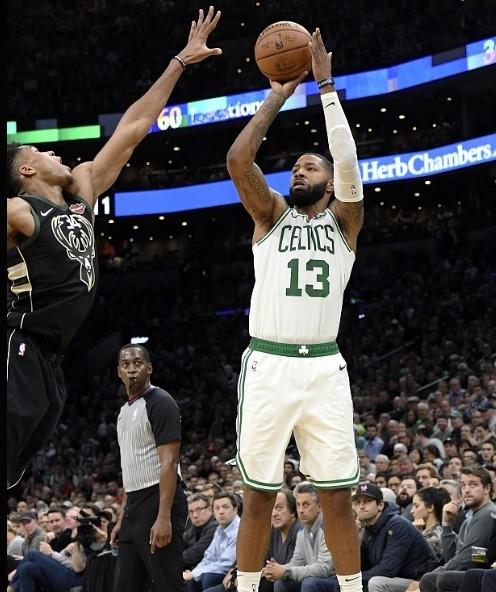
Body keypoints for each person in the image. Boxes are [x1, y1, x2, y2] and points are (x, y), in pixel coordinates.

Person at [5, 4, 222, 490]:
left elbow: (133, 128)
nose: (56, 154)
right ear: (27, 170)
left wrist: (180, 62)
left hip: (50, 359)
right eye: (43, 152)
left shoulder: (81, 194)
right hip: (16, 342)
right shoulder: (19, 211)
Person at [226, 27, 364, 592]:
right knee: (258, 495)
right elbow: (239, 159)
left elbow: (348, 161)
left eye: (311, 167)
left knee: (337, 497)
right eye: (297, 167)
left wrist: (326, 88)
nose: (299, 171)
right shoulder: (270, 216)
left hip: (324, 368)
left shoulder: (345, 224)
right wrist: (276, 96)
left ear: (331, 185)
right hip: (269, 364)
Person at [110, 344, 187, 591]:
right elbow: (130, 469)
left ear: (149, 368)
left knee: (169, 585)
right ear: (119, 372)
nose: (132, 369)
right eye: (126, 364)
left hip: (158, 500)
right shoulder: (123, 412)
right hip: (133, 506)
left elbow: (170, 463)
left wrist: (164, 517)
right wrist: (123, 517)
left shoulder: (161, 402)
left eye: (138, 363)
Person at [418, 465, 496, 592]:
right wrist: (447, 525)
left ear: (487, 488)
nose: (466, 490)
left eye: (473, 485)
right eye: (463, 485)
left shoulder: (487, 514)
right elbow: (454, 556)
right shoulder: (470, 517)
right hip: (474, 568)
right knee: (433, 578)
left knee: (433, 578)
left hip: (483, 573)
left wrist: (432, 574)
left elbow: (470, 557)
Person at [351, 483, 437, 592]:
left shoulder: (397, 525)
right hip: (397, 578)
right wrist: (357, 538)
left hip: (420, 582)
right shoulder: (367, 527)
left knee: (375, 583)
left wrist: (352, 579)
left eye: (367, 501)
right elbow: (361, 566)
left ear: (380, 505)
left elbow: (387, 570)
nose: (361, 506)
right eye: (358, 502)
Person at [263, 482, 334, 592]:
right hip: (315, 578)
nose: (300, 510)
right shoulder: (302, 532)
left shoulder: (328, 529)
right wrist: (277, 570)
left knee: (309, 583)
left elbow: (324, 569)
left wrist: (286, 572)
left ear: (319, 506)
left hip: (335, 580)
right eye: (298, 505)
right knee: (280, 582)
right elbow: (296, 562)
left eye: (306, 505)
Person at [183, 491, 240, 591]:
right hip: (215, 569)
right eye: (217, 508)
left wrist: (194, 573)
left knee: (208, 577)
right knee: (192, 580)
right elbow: (208, 557)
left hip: (234, 574)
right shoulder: (219, 529)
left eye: (225, 507)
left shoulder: (239, 530)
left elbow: (226, 563)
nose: (221, 512)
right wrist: (194, 573)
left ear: (235, 509)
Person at [183, 493, 218, 570]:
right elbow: (180, 544)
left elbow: (196, 554)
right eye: (191, 511)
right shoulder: (194, 528)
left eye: (198, 510)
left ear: (210, 509)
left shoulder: (215, 527)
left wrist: (172, 560)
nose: (195, 515)